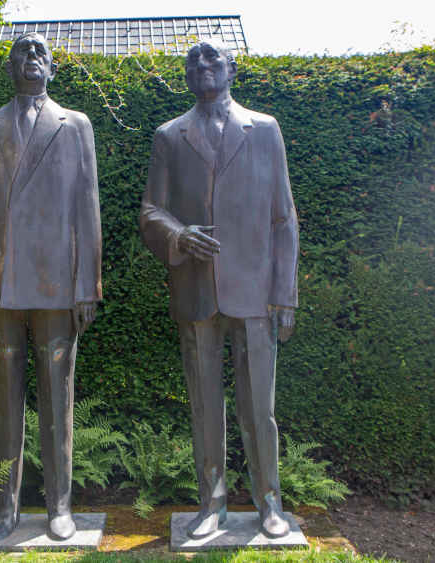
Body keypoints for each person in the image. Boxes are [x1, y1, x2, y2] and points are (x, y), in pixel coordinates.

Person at [139, 39, 299, 540]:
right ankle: (212, 504)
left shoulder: (265, 129)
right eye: (194, 61)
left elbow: (283, 216)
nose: (204, 67)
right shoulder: (169, 136)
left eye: (213, 59)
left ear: (232, 68)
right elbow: (150, 211)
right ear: (185, 75)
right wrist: (178, 235)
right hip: (195, 290)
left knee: (259, 409)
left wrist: (285, 293)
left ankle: (269, 501)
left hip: (255, 292)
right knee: (205, 406)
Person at [0, 32, 101, 542]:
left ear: (53, 67)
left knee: (58, 400)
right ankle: (7, 507)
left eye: (40, 52)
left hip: (57, 284)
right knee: (4, 402)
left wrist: (89, 285)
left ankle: (60, 504)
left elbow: (88, 209)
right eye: (22, 51)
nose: (31, 58)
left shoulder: (76, 126)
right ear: (9, 66)